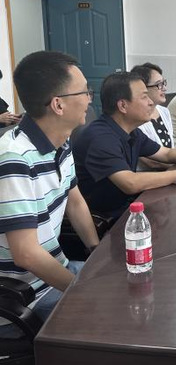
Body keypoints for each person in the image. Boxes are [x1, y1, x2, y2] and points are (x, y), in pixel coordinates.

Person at [0, 51, 99, 333]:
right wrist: (80, 288)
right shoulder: (14, 158)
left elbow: (75, 202)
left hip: (58, 273)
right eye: (85, 92)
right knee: (119, 319)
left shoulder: (61, 142)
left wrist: (96, 252)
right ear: (58, 104)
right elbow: (26, 254)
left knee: (129, 286)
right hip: (24, 298)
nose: (89, 99)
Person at [73, 72, 176, 219]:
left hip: (128, 205)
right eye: (144, 97)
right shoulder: (101, 138)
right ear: (123, 105)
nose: (151, 102)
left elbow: (165, 153)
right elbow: (130, 183)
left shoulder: (131, 130)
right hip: (107, 218)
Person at [130, 63, 174, 171]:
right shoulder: (134, 118)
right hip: (147, 176)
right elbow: (151, 162)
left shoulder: (164, 111)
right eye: (159, 84)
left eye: (164, 83)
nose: (164, 88)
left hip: (169, 171)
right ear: (143, 88)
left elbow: (169, 151)